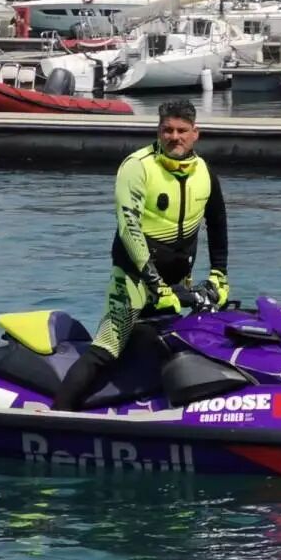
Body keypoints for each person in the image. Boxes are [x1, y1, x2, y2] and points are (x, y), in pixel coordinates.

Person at [52, 100, 229, 411]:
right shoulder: (137, 167)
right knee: (107, 348)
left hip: (178, 282)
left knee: (186, 341)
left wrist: (219, 274)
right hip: (134, 279)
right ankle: (57, 414)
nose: (175, 137)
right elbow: (129, 227)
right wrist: (154, 283)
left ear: (195, 133)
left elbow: (217, 223)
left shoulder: (204, 172)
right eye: (168, 130)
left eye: (182, 130)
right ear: (158, 131)